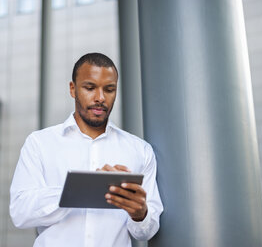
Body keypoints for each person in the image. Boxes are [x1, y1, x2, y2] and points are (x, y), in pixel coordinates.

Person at [10, 53, 163, 247]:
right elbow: (20, 213)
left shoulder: (140, 150)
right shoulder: (40, 143)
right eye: (90, 88)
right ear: (73, 89)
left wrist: (140, 214)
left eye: (109, 89)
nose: (100, 98)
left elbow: (147, 231)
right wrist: (80, 189)